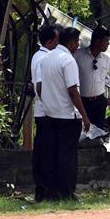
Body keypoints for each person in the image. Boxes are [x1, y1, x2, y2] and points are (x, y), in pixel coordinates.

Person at [37, 27, 90, 200]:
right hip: (67, 116)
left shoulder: (46, 59)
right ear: (72, 42)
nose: (78, 45)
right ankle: (68, 192)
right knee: (67, 157)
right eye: (78, 42)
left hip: (50, 115)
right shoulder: (68, 60)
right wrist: (85, 116)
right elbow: (73, 90)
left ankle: (53, 192)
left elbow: (40, 87)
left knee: (52, 155)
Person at [29, 24, 59, 202]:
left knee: (45, 152)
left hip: (45, 111)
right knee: (45, 153)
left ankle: (45, 189)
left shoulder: (42, 56)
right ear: (49, 41)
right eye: (56, 40)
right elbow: (39, 86)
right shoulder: (42, 58)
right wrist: (50, 105)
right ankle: (44, 189)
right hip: (45, 112)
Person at [74, 26, 110, 128]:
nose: (108, 44)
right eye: (106, 41)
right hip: (83, 102)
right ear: (97, 41)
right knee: (82, 131)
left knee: (98, 131)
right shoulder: (78, 55)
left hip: (100, 102)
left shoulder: (106, 59)